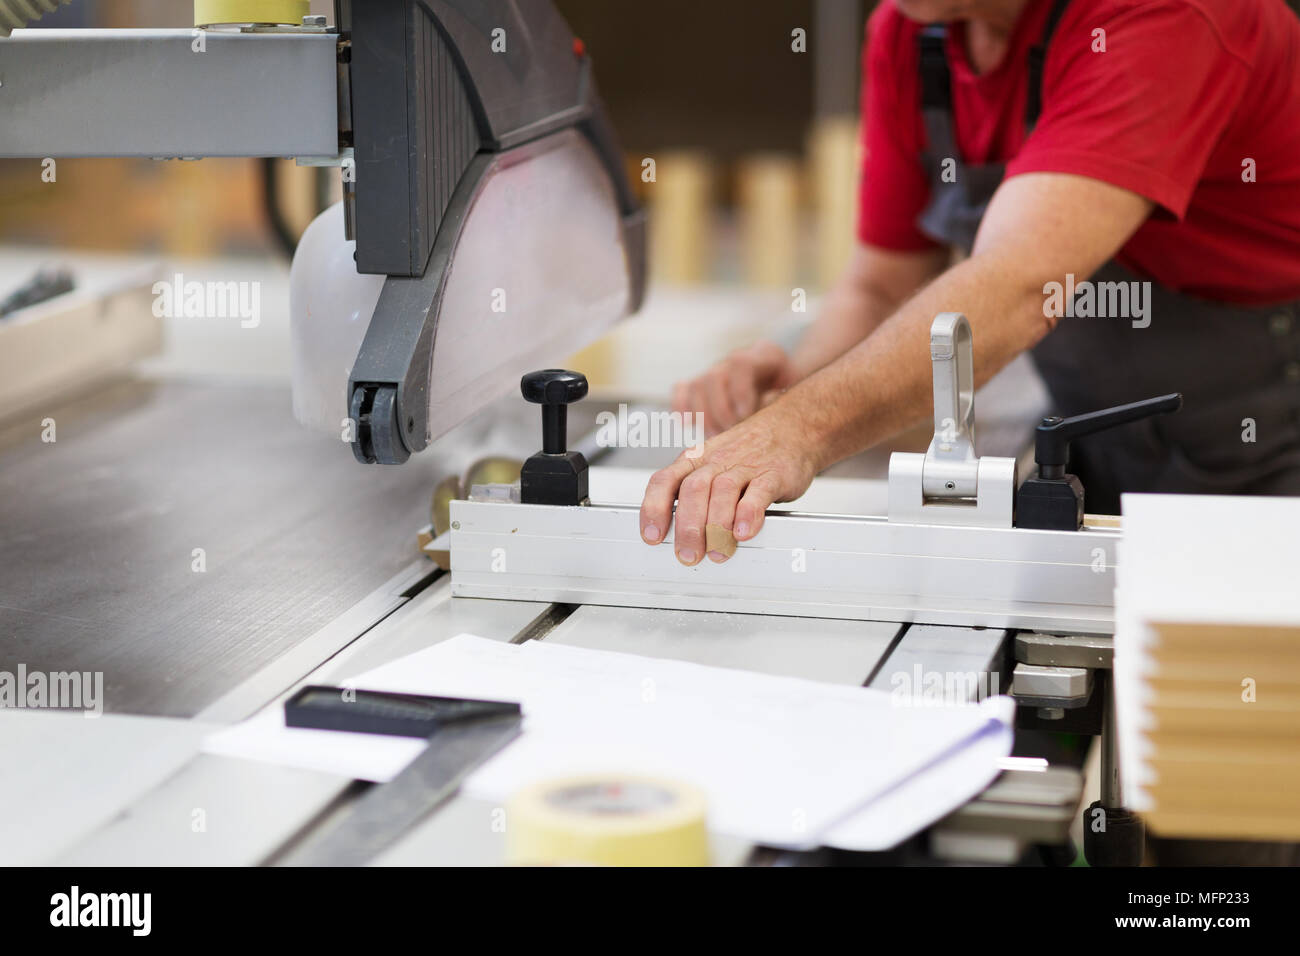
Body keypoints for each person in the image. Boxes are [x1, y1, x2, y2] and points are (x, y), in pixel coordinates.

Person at [639, 0, 1300, 567]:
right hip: (1113, 445)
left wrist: (801, 431)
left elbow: (1019, 286)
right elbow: (883, 285)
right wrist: (792, 383)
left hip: (1268, 447)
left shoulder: (1166, 14)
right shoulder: (912, 33)